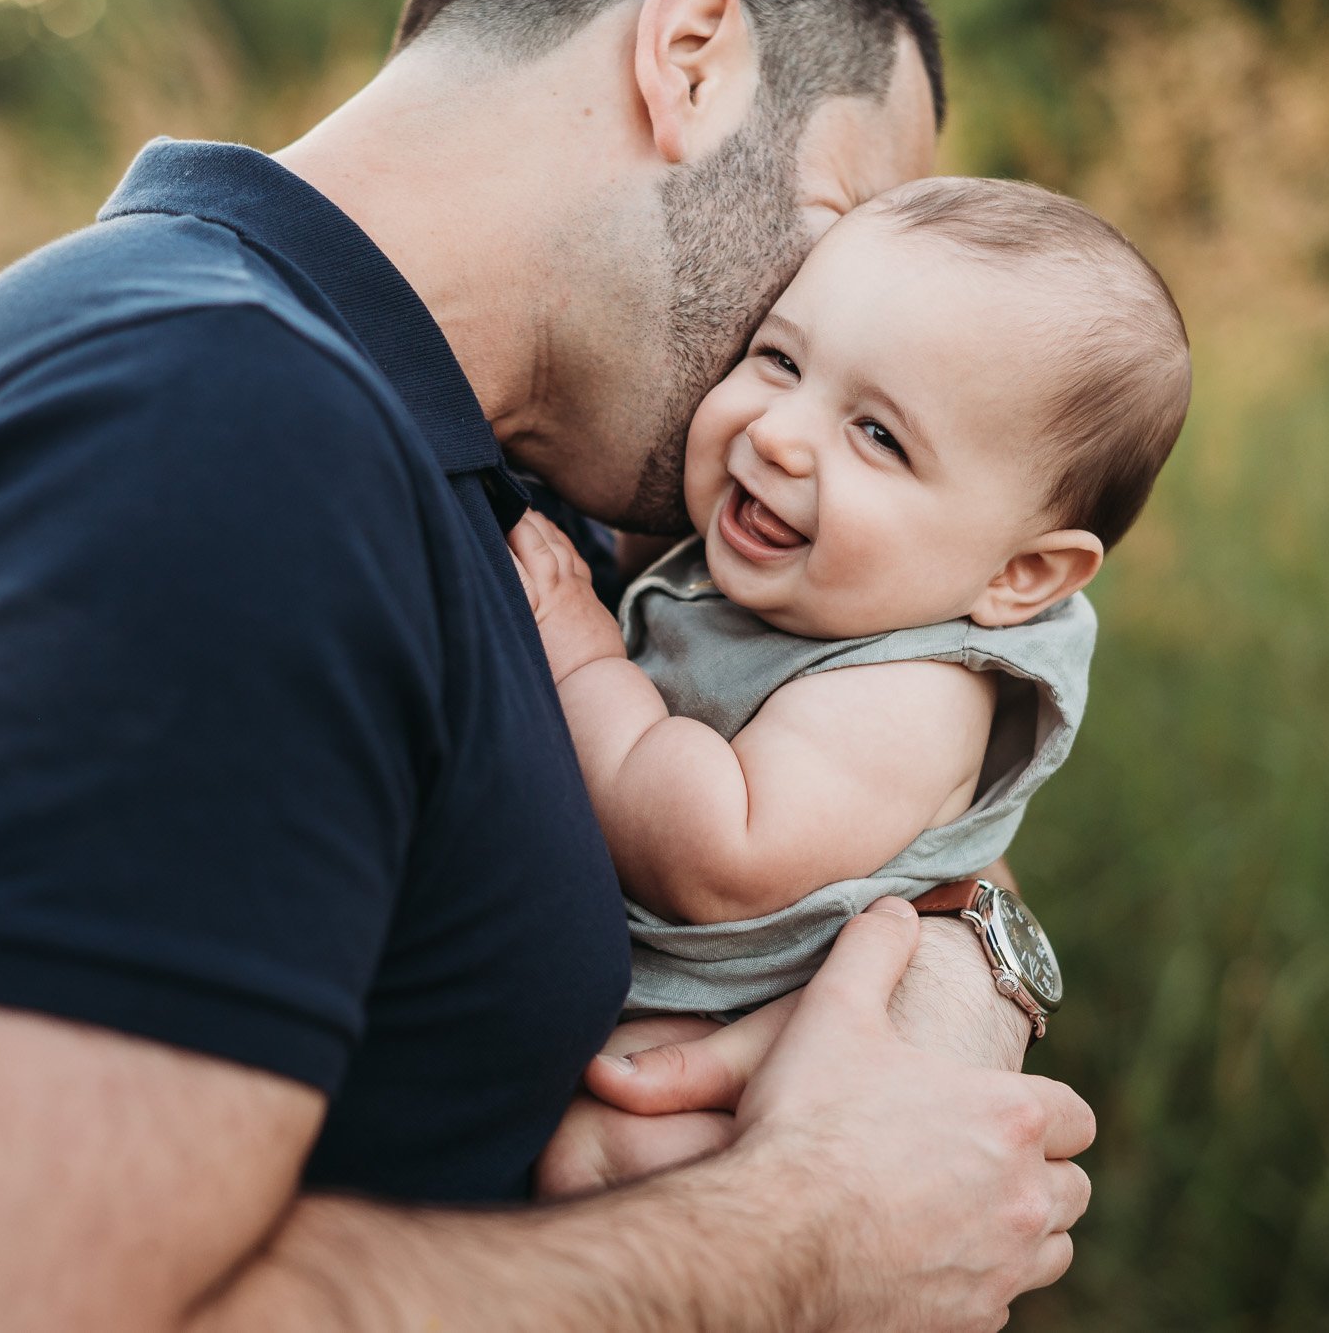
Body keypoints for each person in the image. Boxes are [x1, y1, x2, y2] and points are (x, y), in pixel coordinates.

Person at [0, 0, 1096, 1329]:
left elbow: (882, 774)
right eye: (824, 249)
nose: (795, 398)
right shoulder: (198, 428)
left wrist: (964, 986)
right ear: (691, 50)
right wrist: (808, 1230)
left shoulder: (477, 474)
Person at [510, 176, 1190, 1020]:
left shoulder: (914, 695)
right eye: (781, 359)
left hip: (694, 1037)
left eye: (878, 435)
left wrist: (580, 658)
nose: (777, 433)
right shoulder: (819, 577)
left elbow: (720, 856)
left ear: (1020, 575)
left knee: (588, 1155)